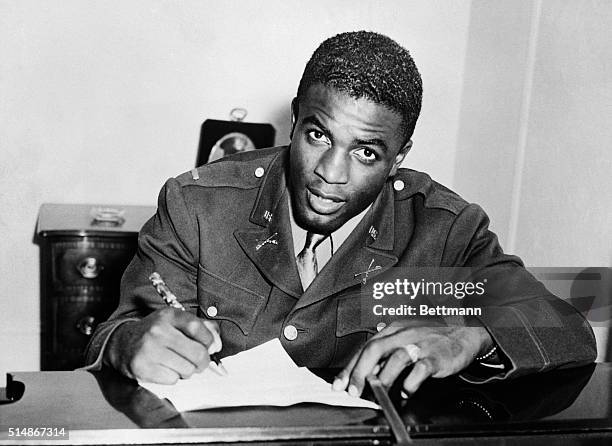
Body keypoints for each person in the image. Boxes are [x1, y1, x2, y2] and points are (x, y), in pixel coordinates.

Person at [85, 31, 596, 398]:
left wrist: (469, 334)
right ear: (294, 118)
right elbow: (115, 331)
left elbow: (566, 324)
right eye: (318, 135)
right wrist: (128, 341)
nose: (331, 173)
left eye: (366, 152)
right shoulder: (197, 204)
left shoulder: (445, 230)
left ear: (401, 155)